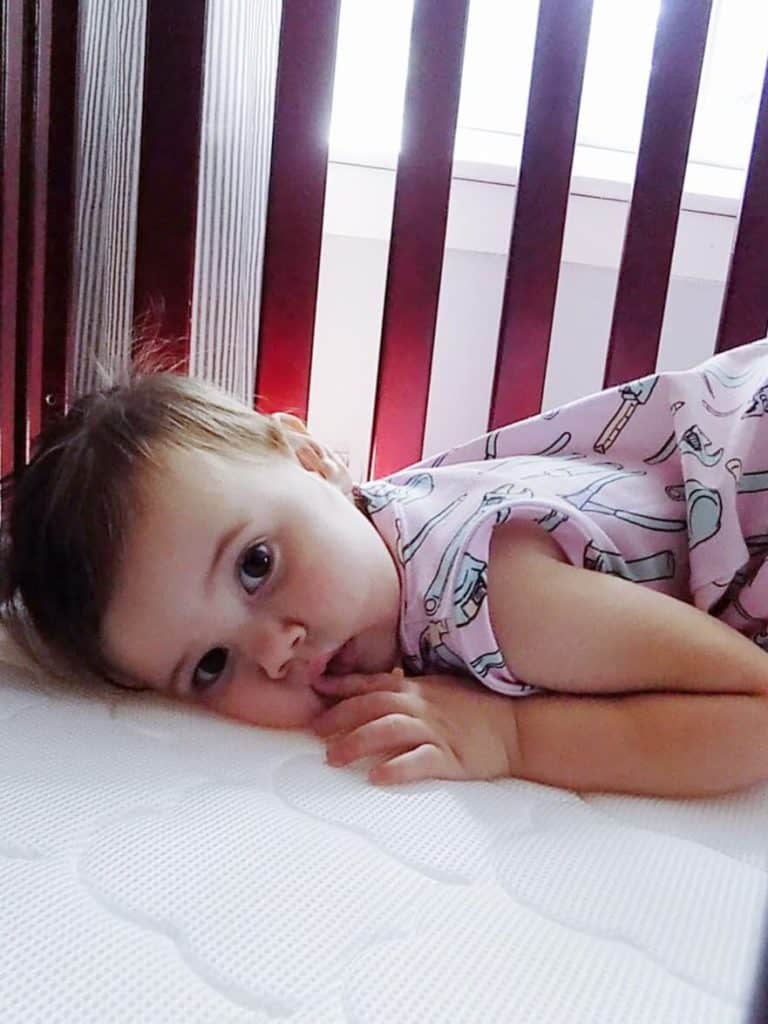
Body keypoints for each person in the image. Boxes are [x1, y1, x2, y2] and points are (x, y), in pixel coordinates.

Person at [3, 339, 768, 798]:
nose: (273, 652)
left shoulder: (496, 591)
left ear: (310, 458)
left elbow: (754, 712)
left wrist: (510, 738)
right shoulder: (383, 532)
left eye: (256, 565)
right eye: (209, 666)